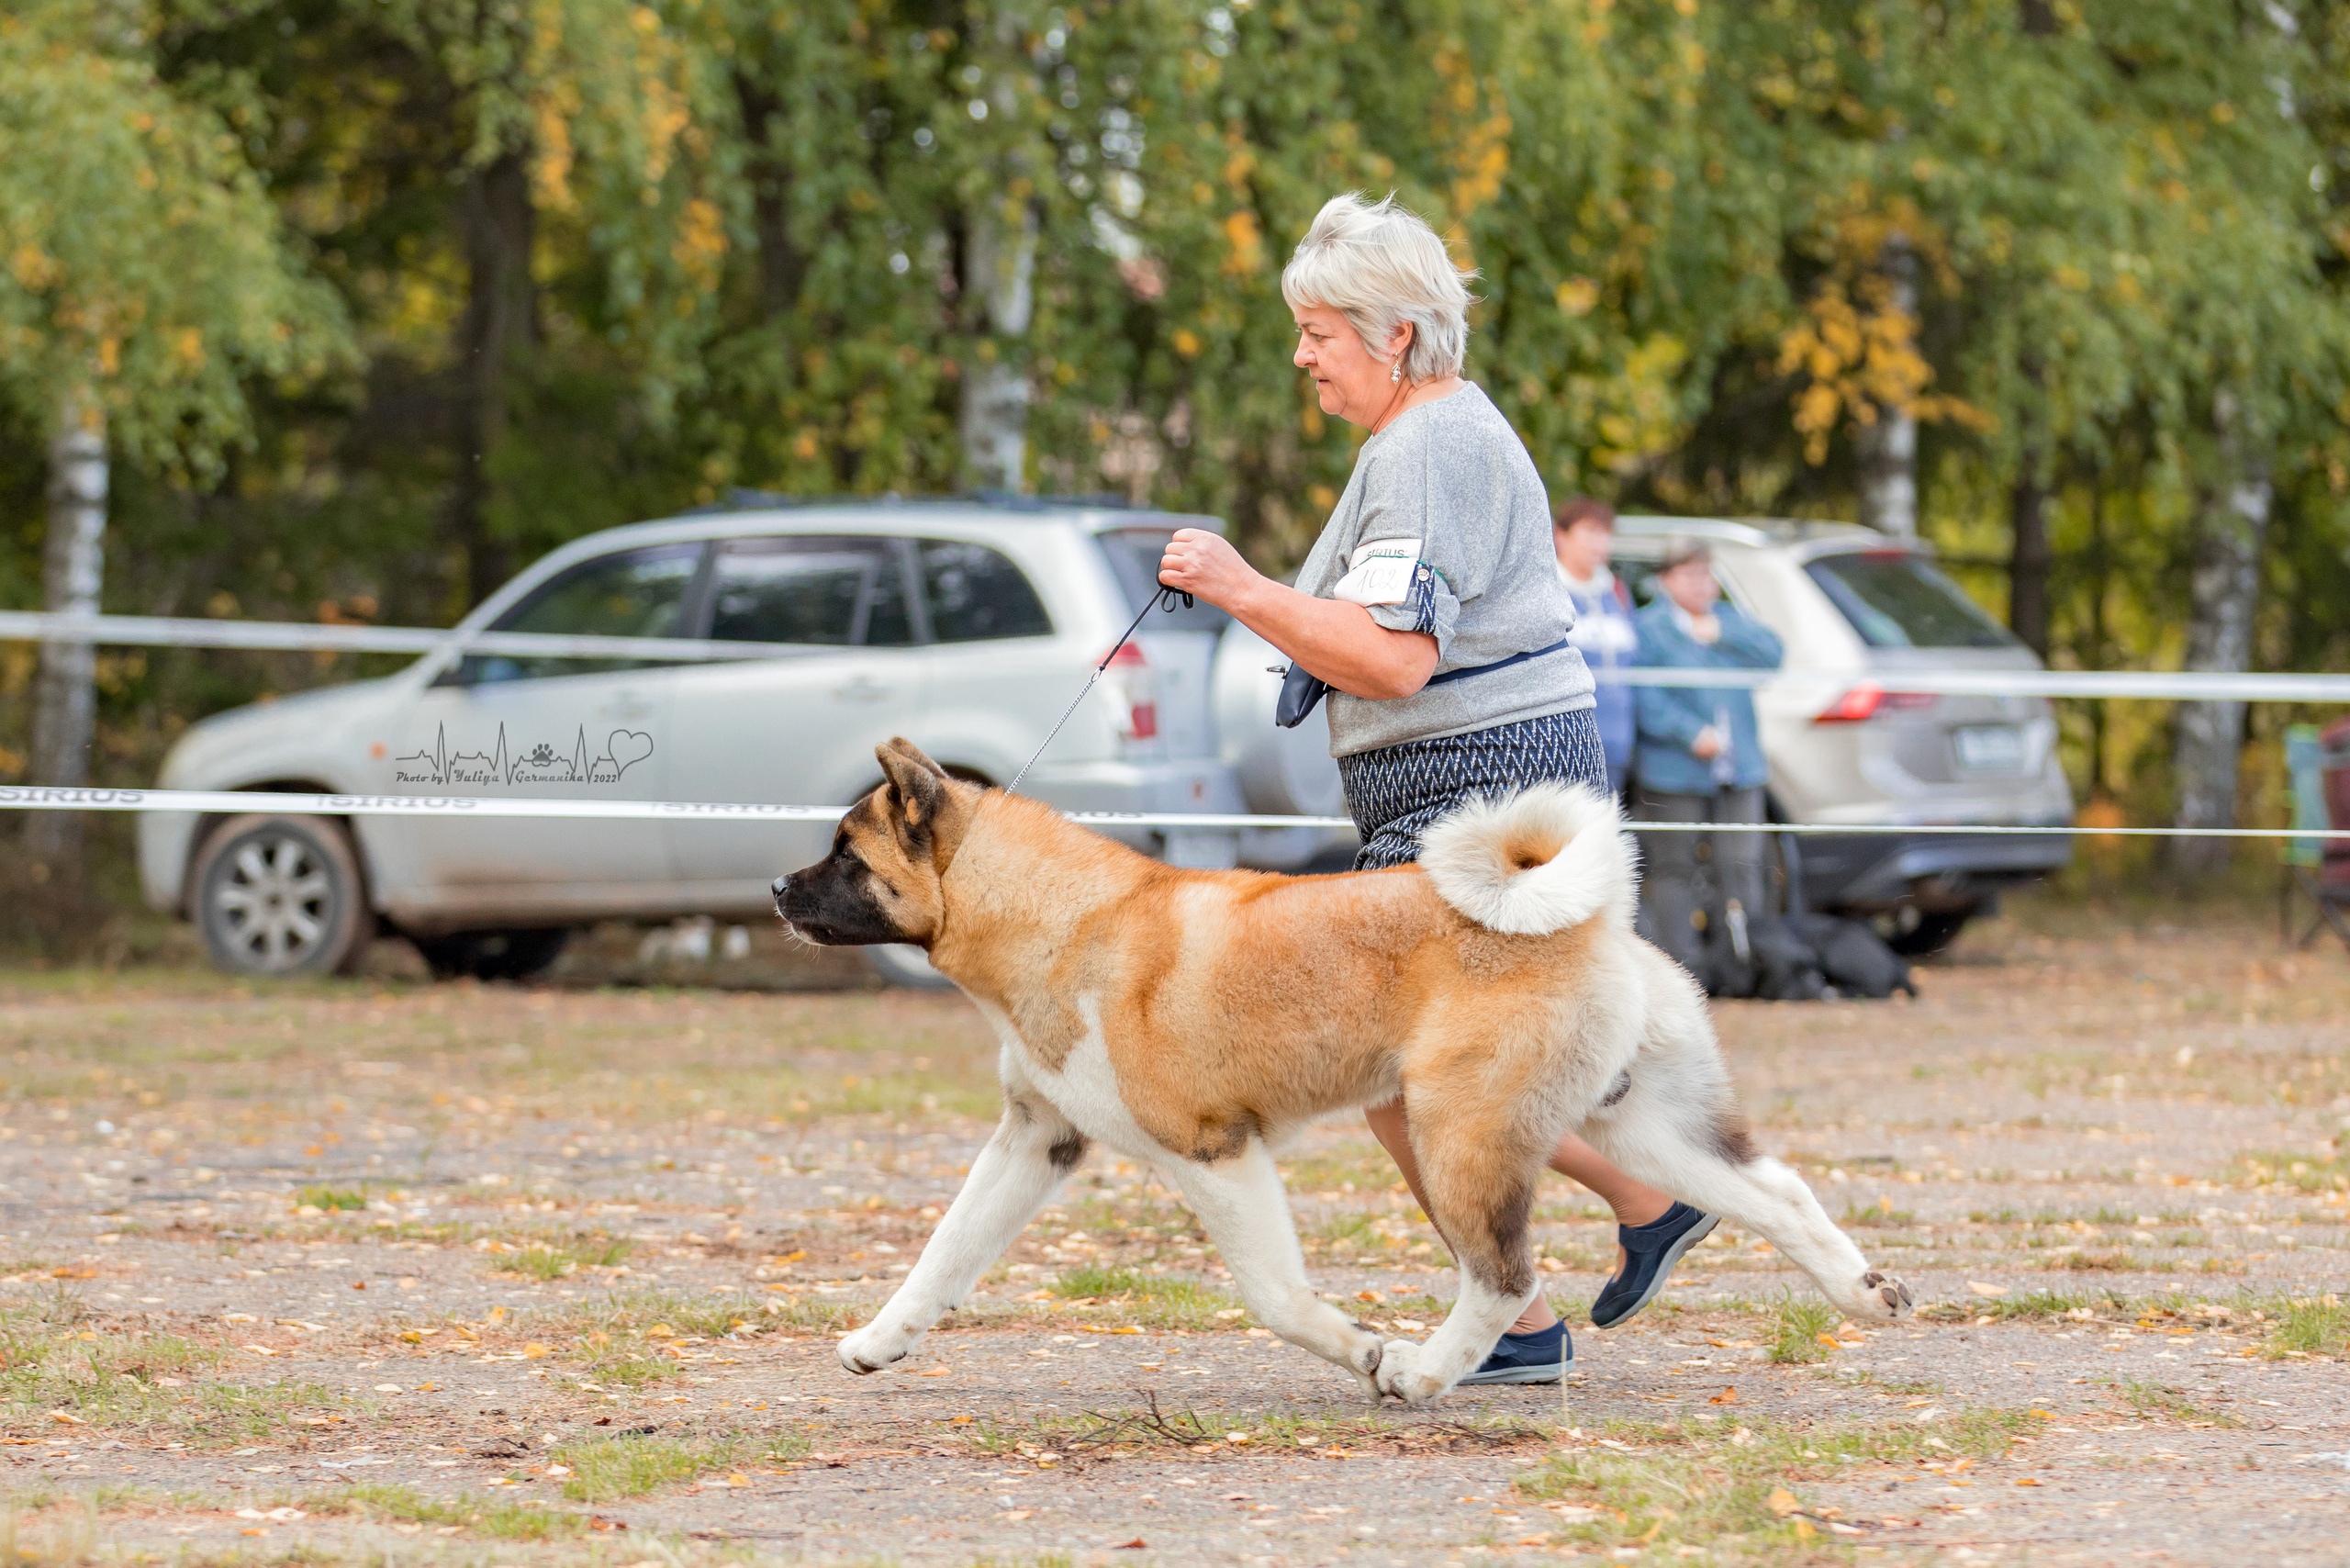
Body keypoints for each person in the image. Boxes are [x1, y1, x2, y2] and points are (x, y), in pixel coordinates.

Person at [1156, 192, 1715, 1384]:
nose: (1301, 355)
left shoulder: (1427, 448)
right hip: (1476, 787)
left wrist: (1240, 584)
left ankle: (1528, 1304)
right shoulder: (1426, 440)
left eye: (1318, 331)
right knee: (1445, 1062)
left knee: (1401, 1065)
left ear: (1392, 334)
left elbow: (1391, 654)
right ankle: (1606, 1233)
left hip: (1480, 793)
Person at [1631, 537, 1785, 979]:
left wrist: (1722, 631)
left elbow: (1774, 656)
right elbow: (1642, 696)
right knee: (1674, 870)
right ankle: (1682, 969)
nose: (1701, 584)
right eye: (1690, 574)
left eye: (1706, 573)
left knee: (1741, 865)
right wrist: (1688, 732)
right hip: (1674, 771)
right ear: (1666, 581)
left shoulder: (1731, 622)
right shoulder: (1649, 628)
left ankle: (1739, 966)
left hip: (1739, 772)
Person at [1553, 498, 1638, 796]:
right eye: (1589, 532)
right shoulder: (1548, 590)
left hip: (1617, 742)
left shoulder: (1616, 591)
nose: (1599, 543)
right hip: (1563, 744)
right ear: (1560, 536)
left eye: (1605, 533)